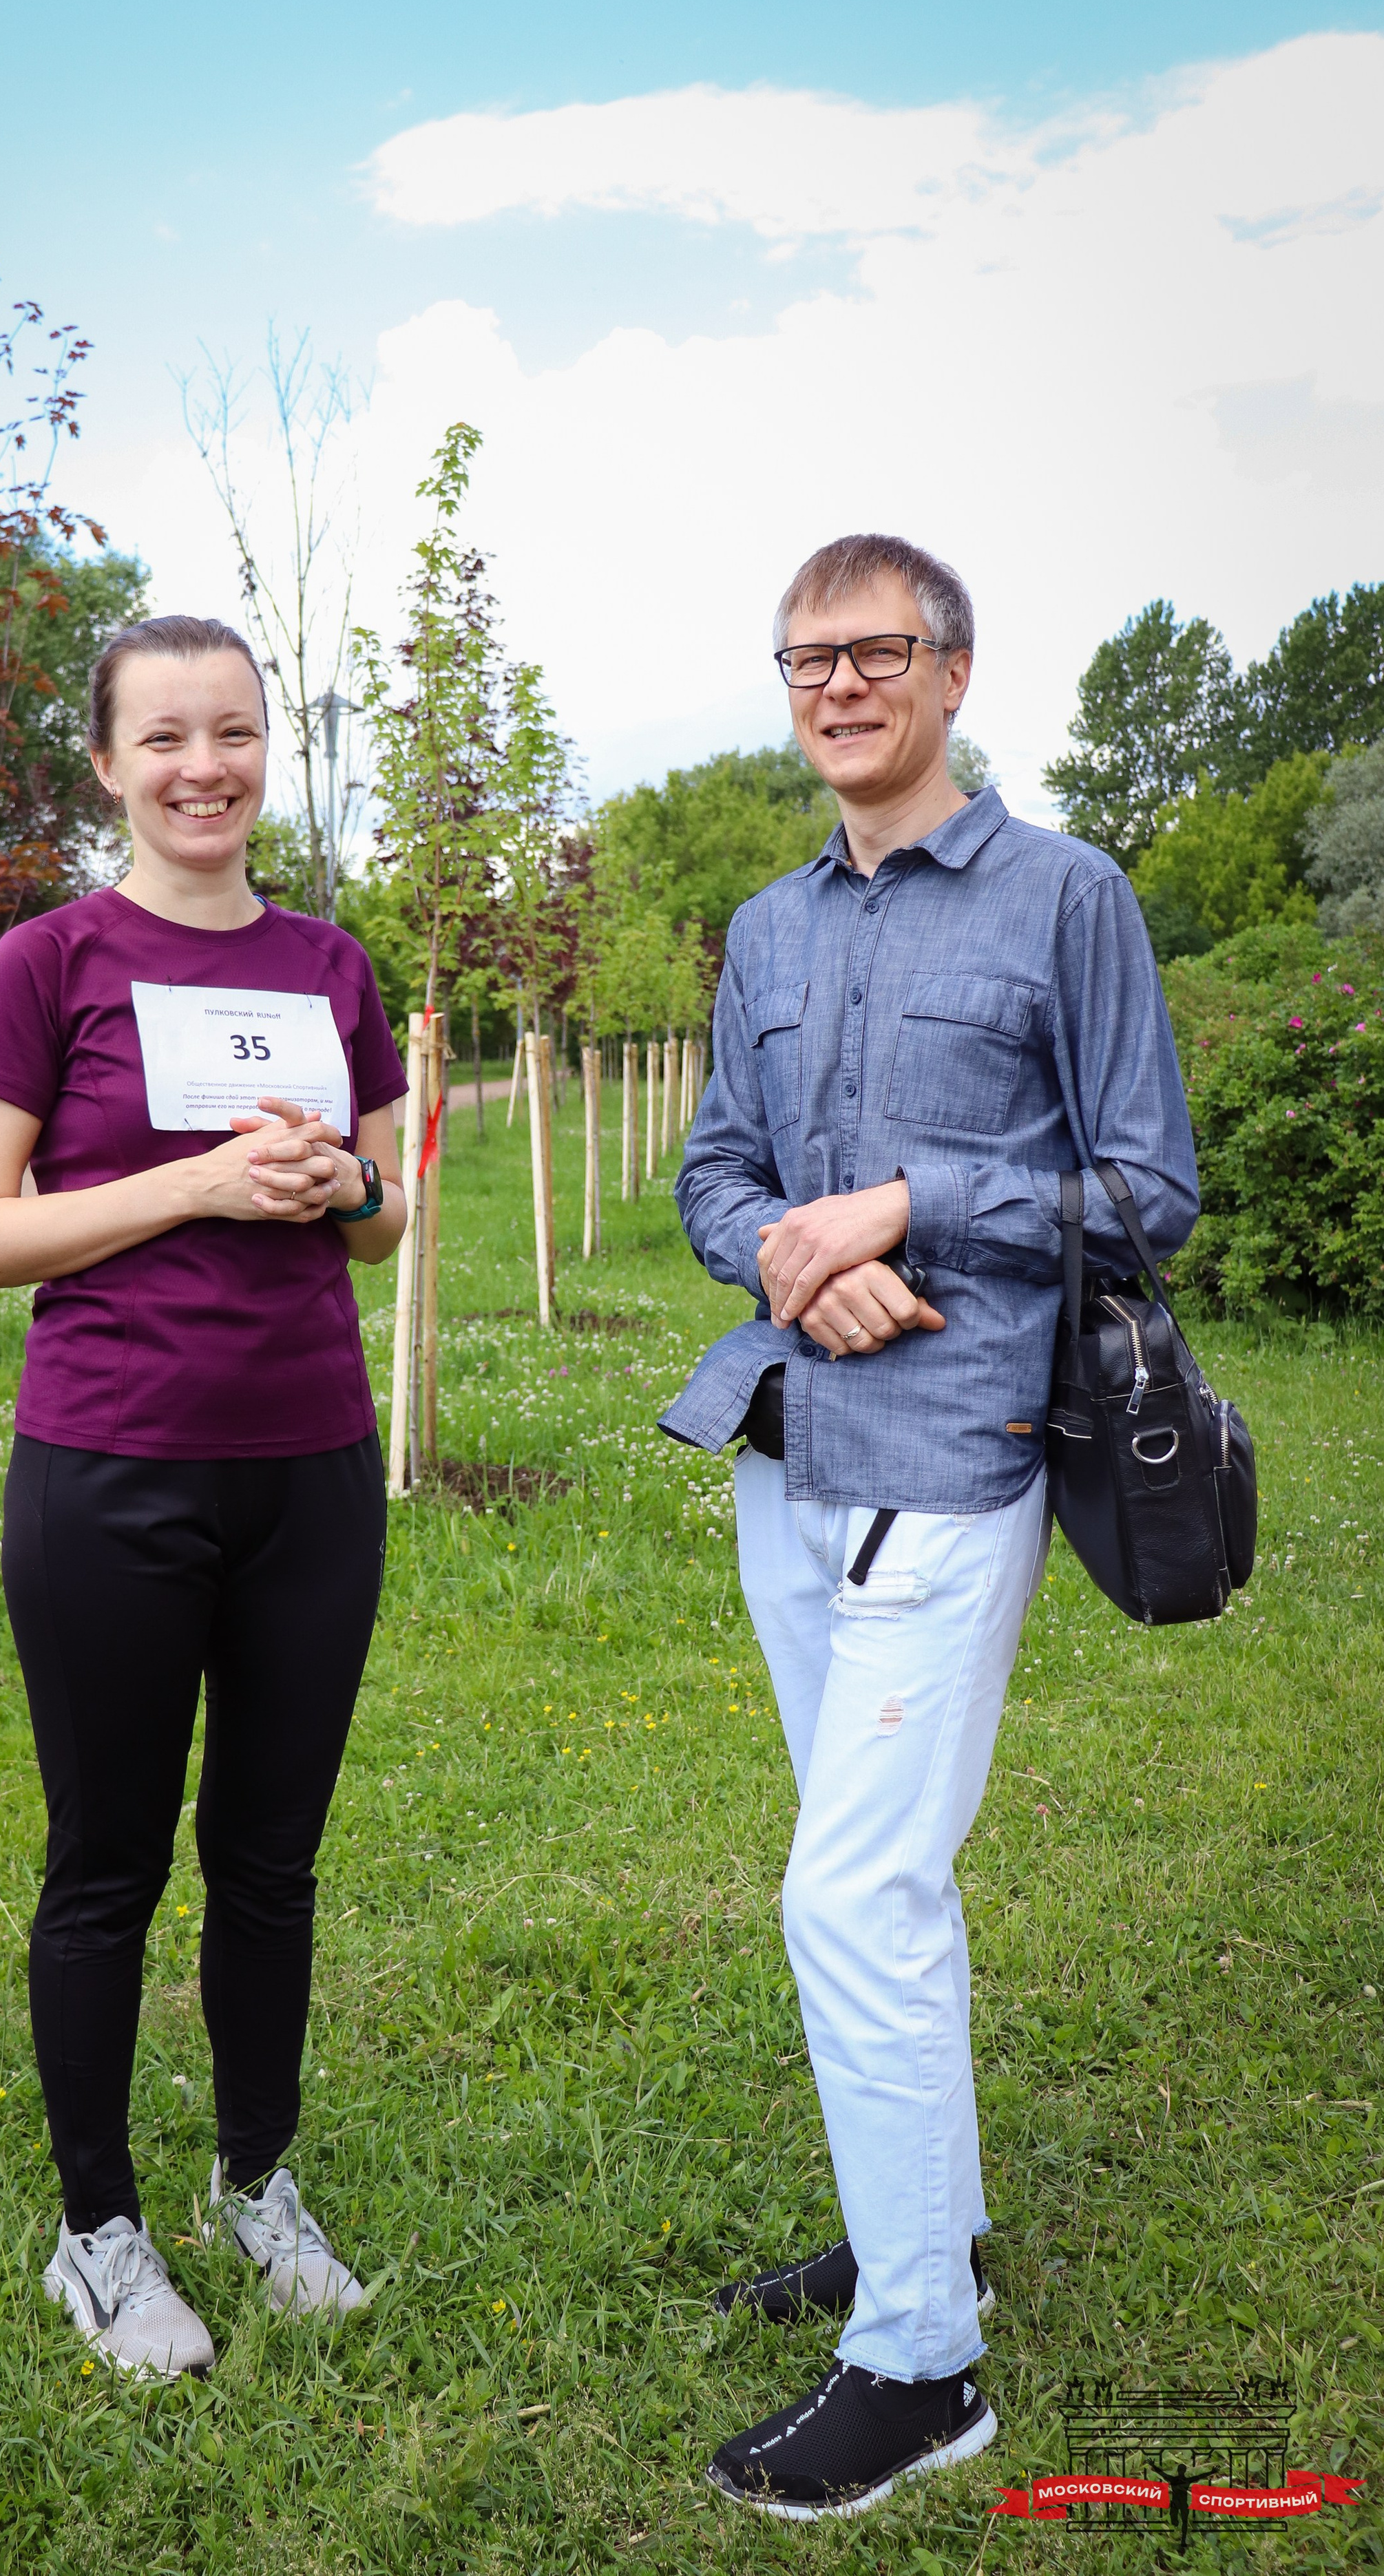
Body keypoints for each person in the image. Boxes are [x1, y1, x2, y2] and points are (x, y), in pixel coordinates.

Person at [661, 534, 1197, 2520]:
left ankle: (922, 2369)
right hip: (790, 1452)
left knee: (847, 1898)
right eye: (804, 656)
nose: (835, 685)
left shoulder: (1069, 898)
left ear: (952, 670)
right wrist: (800, 1253)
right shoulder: (766, 928)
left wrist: (907, 1208)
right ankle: (926, 2243)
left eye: (874, 650)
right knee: (882, 1890)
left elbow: (1149, 1186)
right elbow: (723, 1176)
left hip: (964, 1464)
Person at [0, 615, 408, 2378]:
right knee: (107, 1864)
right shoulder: (50, 960)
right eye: (165, 738)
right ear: (108, 763)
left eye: (233, 733)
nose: (202, 767)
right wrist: (198, 1183)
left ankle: (256, 2184)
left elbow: (385, 1218)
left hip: (310, 1475)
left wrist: (340, 1173)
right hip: (109, 1468)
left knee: (269, 1862)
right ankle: (98, 2231)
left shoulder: (326, 961)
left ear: (264, 750)